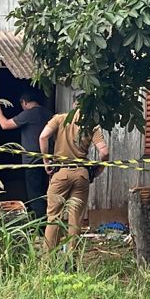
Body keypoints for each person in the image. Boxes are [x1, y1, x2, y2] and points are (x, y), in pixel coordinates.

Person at [38, 105, 110, 251]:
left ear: (72, 107)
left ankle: (48, 261)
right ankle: (72, 261)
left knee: (54, 217)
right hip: (81, 175)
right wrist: (97, 171)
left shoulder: (60, 119)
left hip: (60, 172)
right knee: (76, 220)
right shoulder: (91, 125)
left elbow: (43, 136)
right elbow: (104, 153)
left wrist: (46, 161)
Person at [0, 88, 50, 217]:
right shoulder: (49, 114)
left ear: (24, 102)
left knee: (35, 196)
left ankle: (40, 229)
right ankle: (50, 225)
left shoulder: (29, 114)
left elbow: (5, 124)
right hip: (49, 162)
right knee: (46, 194)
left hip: (32, 162)